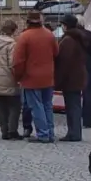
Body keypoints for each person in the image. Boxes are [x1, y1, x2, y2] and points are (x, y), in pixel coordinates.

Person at [12, 10, 59, 144]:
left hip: (31, 77)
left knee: (36, 106)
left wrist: (18, 76)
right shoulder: (49, 35)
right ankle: (50, 132)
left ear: (27, 21)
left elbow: (18, 61)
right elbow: (56, 53)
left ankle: (43, 134)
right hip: (48, 76)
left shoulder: (24, 37)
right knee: (47, 105)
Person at [56, 14, 91, 141]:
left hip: (71, 77)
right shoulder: (79, 37)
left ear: (66, 25)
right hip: (78, 75)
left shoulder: (68, 40)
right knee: (75, 105)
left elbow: (63, 61)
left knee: (72, 106)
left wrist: (58, 79)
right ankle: (75, 132)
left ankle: (74, 133)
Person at [0, 21, 22, 140]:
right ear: (13, 31)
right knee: (14, 106)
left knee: (0, 106)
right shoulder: (11, 44)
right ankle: (12, 131)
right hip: (8, 78)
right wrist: (18, 78)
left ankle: (4, 131)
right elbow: (12, 63)